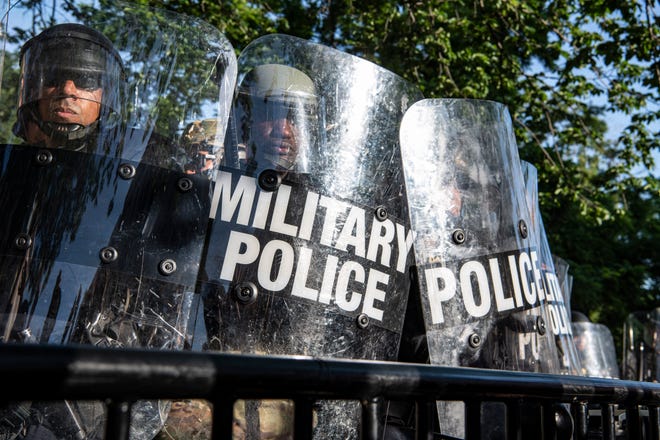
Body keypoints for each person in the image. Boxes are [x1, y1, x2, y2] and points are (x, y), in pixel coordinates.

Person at [12, 23, 124, 152]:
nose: (67, 90)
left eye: (85, 80)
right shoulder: (11, 165)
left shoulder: (126, 164)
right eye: (52, 79)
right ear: (32, 92)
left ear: (106, 97)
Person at [231, 63, 319, 176]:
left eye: (295, 120)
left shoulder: (318, 191)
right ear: (244, 121)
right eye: (271, 116)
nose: (284, 131)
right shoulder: (213, 181)